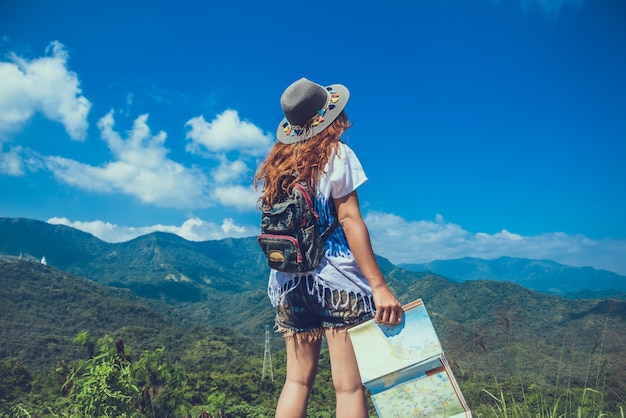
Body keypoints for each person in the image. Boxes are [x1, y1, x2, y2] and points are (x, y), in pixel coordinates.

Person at [254, 77, 403, 418]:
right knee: (348, 388)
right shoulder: (337, 155)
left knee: (296, 383)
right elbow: (349, 220)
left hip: (288, 284)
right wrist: (378, 287)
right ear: (328, 116)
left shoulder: (278, 168)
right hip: (338, 284)